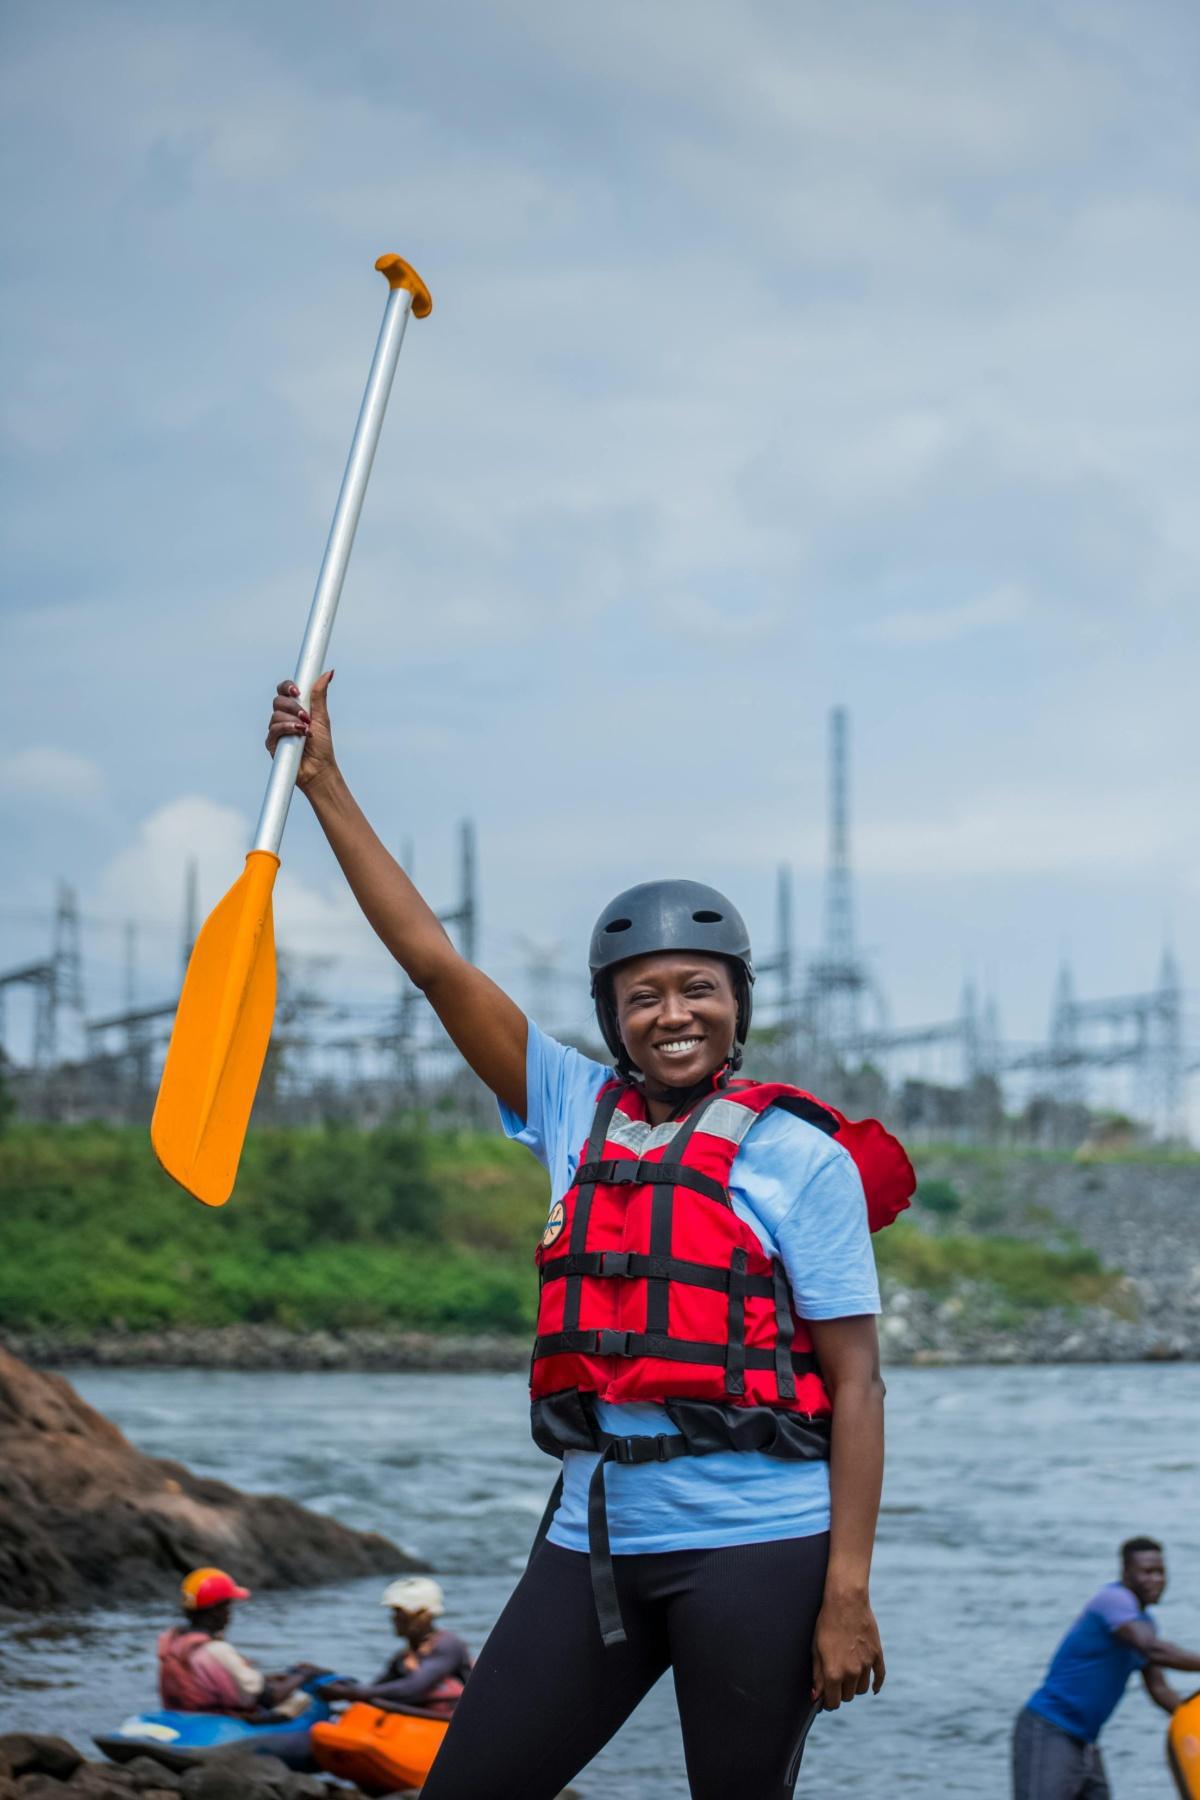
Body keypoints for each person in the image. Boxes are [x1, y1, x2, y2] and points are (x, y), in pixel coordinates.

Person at [264, 672, 916, 1800]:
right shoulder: (571, 1108)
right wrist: (323, 779)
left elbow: (857, 1386)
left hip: (762, 1552)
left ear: (737, 1003)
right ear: (613, 1016)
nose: (673, 1014)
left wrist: (845, 1594)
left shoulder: (795, 1158)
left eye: (698, 989)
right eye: (644, 995)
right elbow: (433, 963)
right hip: (596, 1540)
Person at [1014, 1537, 1200, 1798]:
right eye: (1146, 1572)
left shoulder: (1145, 1624)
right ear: (1126, 1573)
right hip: (1050, 1730)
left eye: (1160, 1572)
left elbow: (1159, 1689)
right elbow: (1151, 1649)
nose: (1155, 1580)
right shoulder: (1113, 1600)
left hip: (1085, 1741)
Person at [157, 1567, 319, 1719]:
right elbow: (268, 1697)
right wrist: (303, 1675)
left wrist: (271, 1678)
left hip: (183, 1712)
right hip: (217, 1719)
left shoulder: (171, 1640)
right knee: (305, 1700)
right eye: (227, 1608)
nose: (229, 1615)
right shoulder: (215, 1650)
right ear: (215, 1611)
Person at [324, 1577, 472, 1716]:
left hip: (445, 1727)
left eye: (400, 1612)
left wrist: (351, 1693)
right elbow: (375, 1687)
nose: (394, 1618)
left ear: (424, 1615)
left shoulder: (447, 1645)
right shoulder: (404, 1657)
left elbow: (412, 1687)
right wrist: (336, 1685)